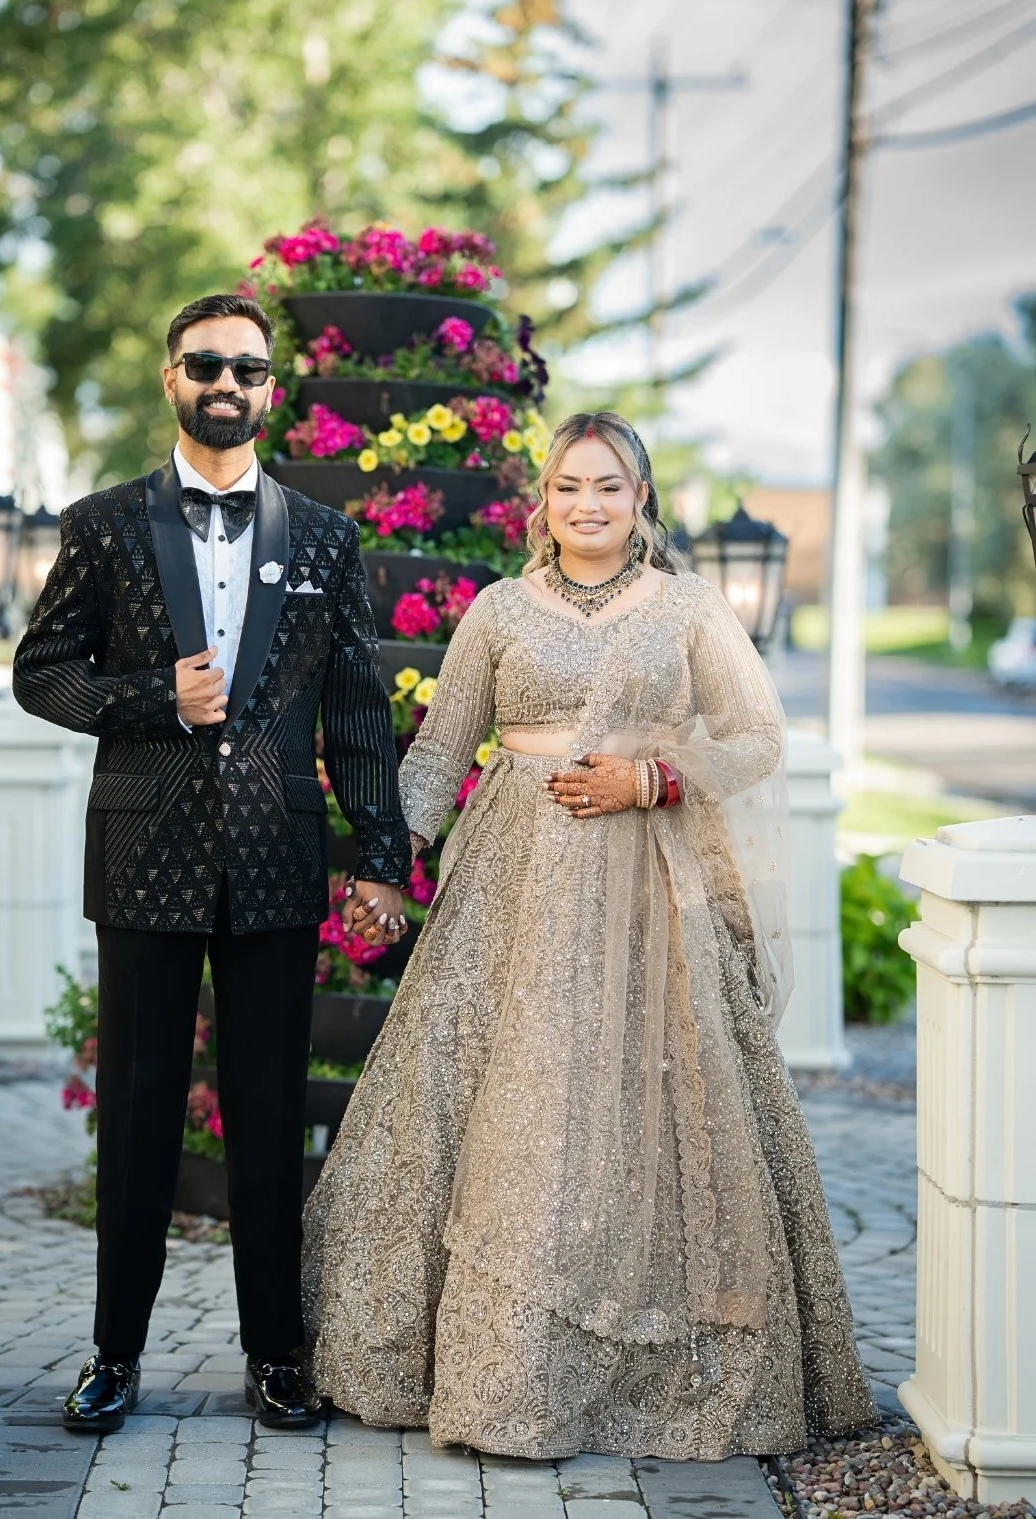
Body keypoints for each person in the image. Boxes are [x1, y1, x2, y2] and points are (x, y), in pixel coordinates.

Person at [303, 411, 876, 1459]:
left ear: (642, 499)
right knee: (503, 1100)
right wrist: (390, 865)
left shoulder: (689, 610)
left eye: (609, 486)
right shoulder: (500, 610)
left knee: (639, 1102)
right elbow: (438, 750)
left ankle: (640, 1368)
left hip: (649, 898)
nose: (588, 504)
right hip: (511, 892)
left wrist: (651, 777)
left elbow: (757, 737)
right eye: (569, 486)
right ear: (543, 501)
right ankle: (485, 1370)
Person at [14, 292, 410, 1433]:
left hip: (278, 864)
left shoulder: (328, 540)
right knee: (136, 1111)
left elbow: (359, 716)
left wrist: (378, 856)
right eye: (205, 365)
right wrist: (156, 699)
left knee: (269, 1110)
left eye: (246, 367)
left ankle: (276, 1353)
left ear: (271, 387)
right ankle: (114, 1355)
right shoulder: (102, 525)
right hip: (144, 856)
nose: (225, 383)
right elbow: (41, 671)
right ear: (170, 377)